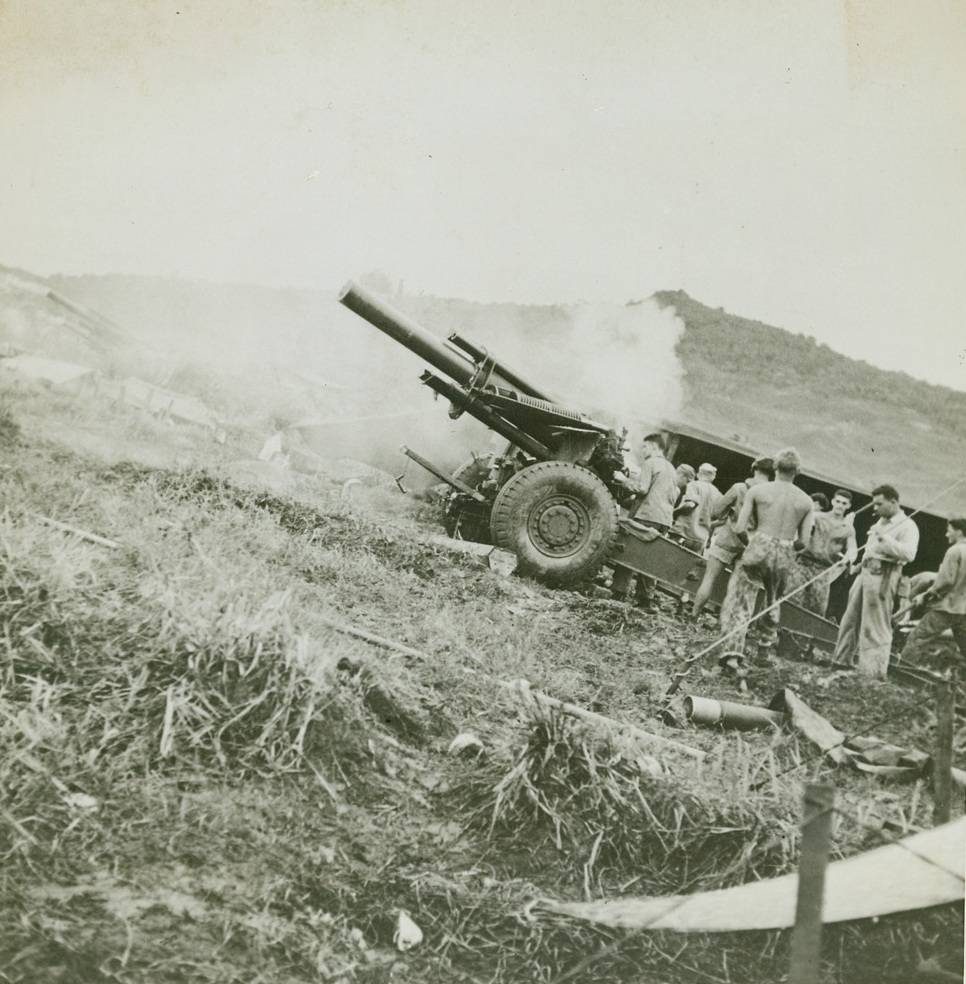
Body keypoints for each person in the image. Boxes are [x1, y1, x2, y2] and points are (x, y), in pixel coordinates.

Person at [716, 448, 814, 660]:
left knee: (742, 599)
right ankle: (763, 649)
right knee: (773, 600)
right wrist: (786, 547)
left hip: (760, 543)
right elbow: (804, 542)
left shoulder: (758, 491)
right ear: (798, 471)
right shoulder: (806, 501)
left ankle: (732, 654)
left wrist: (755, 543)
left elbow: (740, 527)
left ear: (775, 467)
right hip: (786, 549)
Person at [833, 484, 919, 679]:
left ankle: (872, 673)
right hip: (865, 572)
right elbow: (870, 548)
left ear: (893, 502)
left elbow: (909, 554)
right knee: (850, 619)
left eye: (879, 504)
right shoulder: (880, 522)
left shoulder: (907, 526)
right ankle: (840, 661)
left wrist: (885, 539)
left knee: (875, 625)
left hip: (884, 575)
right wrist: (859, 564)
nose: (875, 508)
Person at [691, 457, 775, 619]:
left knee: (709, 579)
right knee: (735, 589)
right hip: (749, 545)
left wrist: (728, 514)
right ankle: (722, 623)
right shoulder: (771, 496)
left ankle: (694, 615)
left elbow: (716, 512)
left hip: (727, 538)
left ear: (754, 468)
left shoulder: (739, 488)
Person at [610, 432, 678, 611]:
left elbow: (642, 488)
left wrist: (623, 480)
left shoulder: (650, 463)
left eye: (645, 446)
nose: (643, 450)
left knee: (629, 552)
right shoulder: (671, 468)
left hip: (646, 515)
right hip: (664, 519)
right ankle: (645, 600)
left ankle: (618, 593)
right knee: (650, 559)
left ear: (655, 447)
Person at [898, 517, 966, 664]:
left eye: (949, 531)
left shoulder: (954, 551)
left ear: (959, 532)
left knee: (918, 637)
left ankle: (901, 674)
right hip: (963, 611)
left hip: (947, 608)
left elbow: (946, 580)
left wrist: (927, 594)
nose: (946, 535)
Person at [788, 488, 858, 616]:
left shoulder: (848, 528)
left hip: (823, 571)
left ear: (848, 506)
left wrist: (848, 558)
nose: (840, 505)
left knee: (816, 609)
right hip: (803, 564)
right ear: (832, 502)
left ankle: (803, 636)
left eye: (844, 503)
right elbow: (799, 531)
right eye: (838, 501)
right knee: (791, 600)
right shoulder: (817, 517)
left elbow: (853, 549)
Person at [671, 462, 723, 553]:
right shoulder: (718, 494)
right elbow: (720, 518)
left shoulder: (694, 485)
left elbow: (690, 504)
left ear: (699, 474)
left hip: (683, 533)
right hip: (700, 539)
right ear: (713, 477)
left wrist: (674, 512)